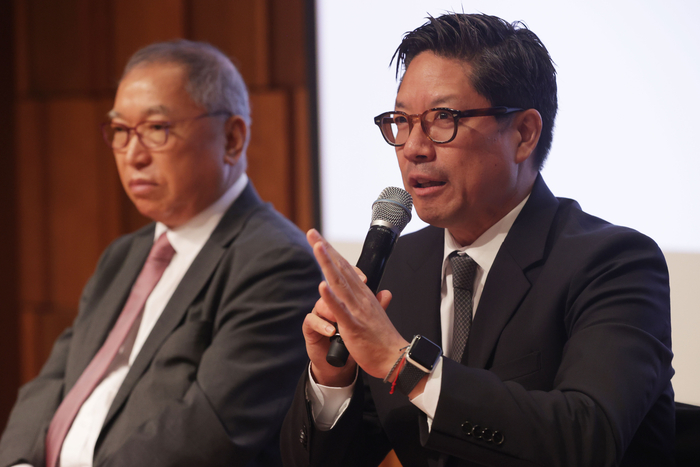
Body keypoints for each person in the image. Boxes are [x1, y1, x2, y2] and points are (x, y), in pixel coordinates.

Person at [280, 13, 674, 467]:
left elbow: (587, 439)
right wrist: (333, 378)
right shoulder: (400, 265)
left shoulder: (614, 263)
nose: (413, 148)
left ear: (524, 134)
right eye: (402, 120)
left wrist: (401, 362)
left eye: (443, 118)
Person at [0, 40, 321, 467]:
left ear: (232, 138)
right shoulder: (123, 255)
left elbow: (209, 434)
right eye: (120, 131)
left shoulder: (276, 263)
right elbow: (53, 382)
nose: (133, 156)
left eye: (156, 128)